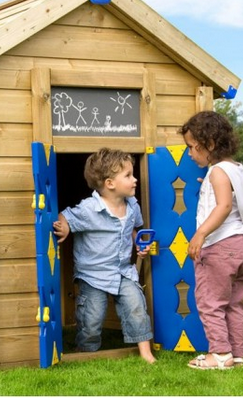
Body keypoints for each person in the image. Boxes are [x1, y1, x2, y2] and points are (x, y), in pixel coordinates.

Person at [180, 111, 243, 370]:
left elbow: (224, 206)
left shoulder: (217, 172)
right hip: (242, 245)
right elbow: (230, 197)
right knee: (234, 303)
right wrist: (207, 183)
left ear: (209, 144)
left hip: (220, 247)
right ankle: (236, 354)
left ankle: (219, 354)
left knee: (210, 302)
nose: (189, 153)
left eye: (191, 147)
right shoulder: (234, 169)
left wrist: (200, 234)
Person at [53, 148, 156, 364]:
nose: (135, 179)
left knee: (136, 306)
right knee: (91, 318)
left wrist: (139, 244)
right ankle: (86, 351)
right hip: (92, 275)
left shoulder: (132, 205)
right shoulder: (89, 209)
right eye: (128, 175)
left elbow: (133, 229)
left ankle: (146, 352)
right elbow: (66, 215)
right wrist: (65, 227)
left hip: (122, 272)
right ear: (110, 183)